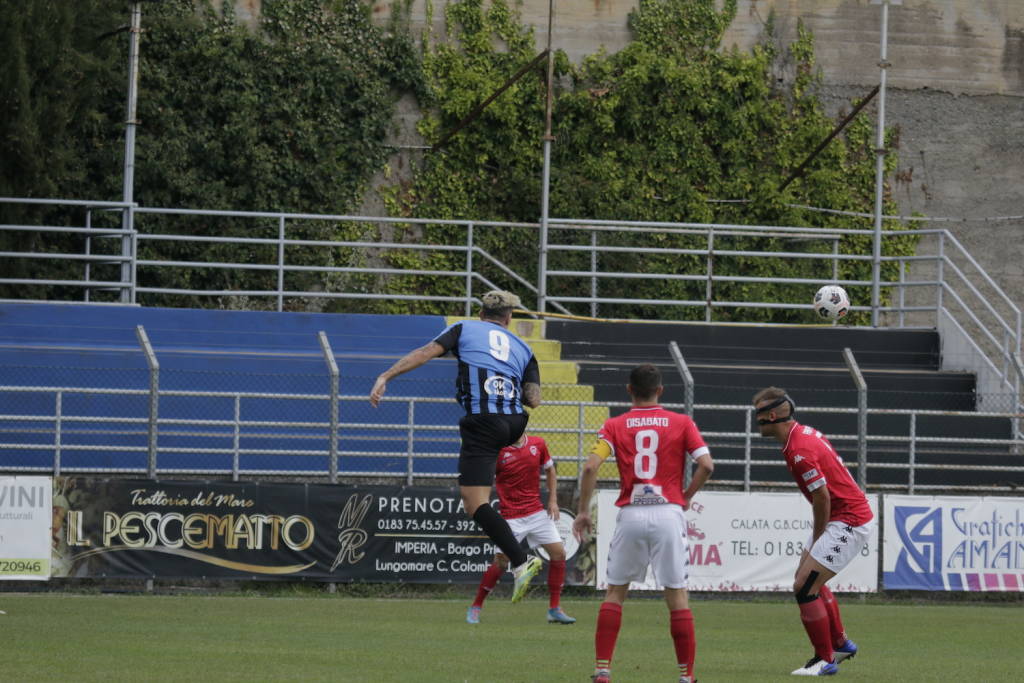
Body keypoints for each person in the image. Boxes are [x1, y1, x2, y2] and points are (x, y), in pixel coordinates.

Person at [370, 290, 543, 602]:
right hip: (514, 423)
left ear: (481, 315)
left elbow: (426, 352)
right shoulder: (525, 348)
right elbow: (534, 399)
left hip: (483, 420)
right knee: (488, 475)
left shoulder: (465, 327)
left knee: (474, 503)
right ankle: (518, 556)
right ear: (509, 318)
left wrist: (386, 375)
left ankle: (522, 561)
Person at [573, 364, 714, 683]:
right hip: (668, 512)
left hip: (632, 513)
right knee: (677, 596)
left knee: (615, 593)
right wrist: (686, 494)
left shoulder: (614, 425)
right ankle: (686, 676)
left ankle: (603, 669)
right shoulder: (682, 422)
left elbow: (590, 468)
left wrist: (583, 510)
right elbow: (706, 464)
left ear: (629, 390)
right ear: (660, 391)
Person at [752, 387, 875, 677]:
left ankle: (825, 659)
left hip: (849, 520)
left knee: (805, 586)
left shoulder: (799, 450)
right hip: (840, 517)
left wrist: (819, 535)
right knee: (807, 580)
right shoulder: (801, 435)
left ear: (771, 416)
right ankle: (840, 644)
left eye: (757, 414)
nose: (755, 420)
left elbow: (822, 497)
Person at [466, 432, 576, 625]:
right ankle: (476, 606)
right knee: (501, 561)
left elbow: (550, 470)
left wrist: (553, 500)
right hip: (510, 517)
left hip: (536, 513)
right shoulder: (498, 451)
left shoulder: (538, 444)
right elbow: (484, 479)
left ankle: (554, 609)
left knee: (559, 553)